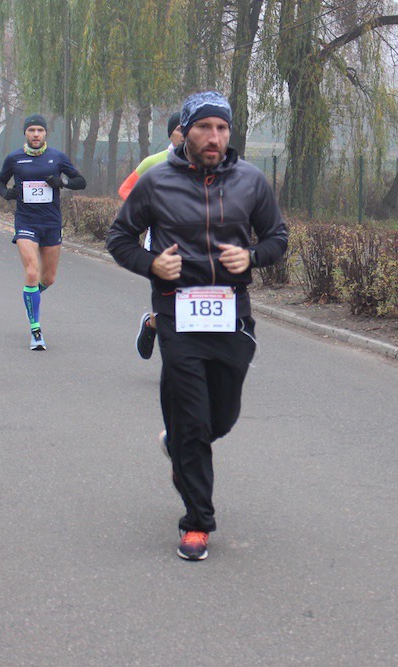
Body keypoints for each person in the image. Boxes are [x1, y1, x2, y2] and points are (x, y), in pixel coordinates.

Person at [106, 91, 288, 561]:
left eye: (222, 128)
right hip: (176, 316)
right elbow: (119, 238)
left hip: (232, 316)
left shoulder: (251, 181)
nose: (214, 137)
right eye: (205, 127)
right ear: (185, 132)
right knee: (191, 420)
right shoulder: (157, 182)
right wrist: (152, 264)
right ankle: (197, 522)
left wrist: (251, 257)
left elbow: (277, 237)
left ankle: (179, 448)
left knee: (219, 419)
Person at [0, 114, 86, 350]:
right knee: (32, 272)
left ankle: (30, 296)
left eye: (40, 130)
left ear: (46, 133)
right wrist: (6, 194)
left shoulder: (57, 157)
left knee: (48, 278)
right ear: (25, 133)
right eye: (31, 130)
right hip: (26, 222)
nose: (36, 134)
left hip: (51, 222)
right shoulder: (14, 158)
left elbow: (80, 181)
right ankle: (36, 330)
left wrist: (62, 183)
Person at [118, 111, 184, 360]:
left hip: (196, 245)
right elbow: (126, 189)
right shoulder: (154, 162)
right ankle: (152, 324)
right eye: (180, 129)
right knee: (170, 303)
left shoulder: (207, 164)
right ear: (170, 134)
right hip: (161, 244)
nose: (185, 134)